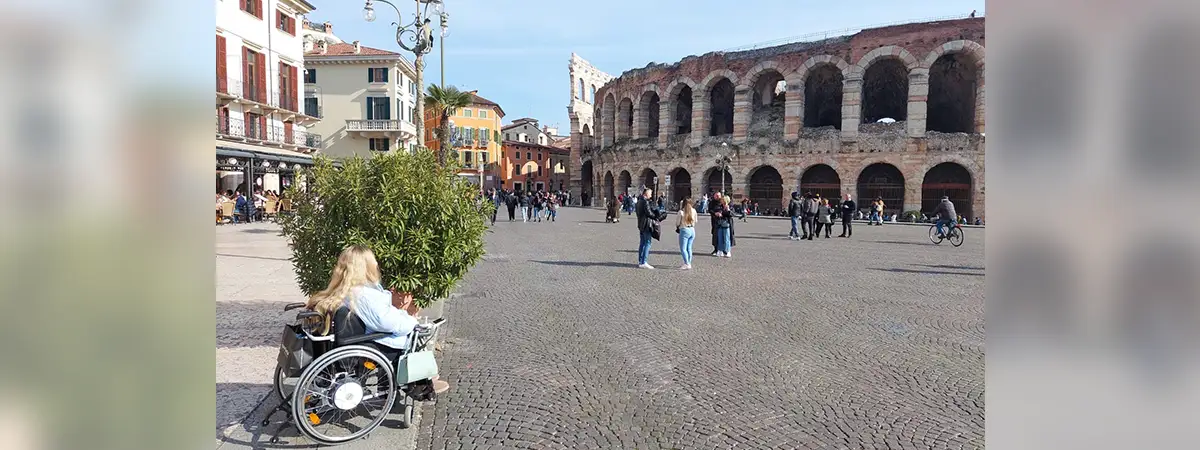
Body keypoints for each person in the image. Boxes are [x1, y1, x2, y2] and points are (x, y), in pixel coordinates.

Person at [635, 188, 668, 269]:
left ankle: (640, 261)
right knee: (647, 243)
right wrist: (657, 216)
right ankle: (644, 262)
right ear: (646, 194)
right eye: (650, 193)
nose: (651, 195)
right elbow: (648, 213)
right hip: (647, 225)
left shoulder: (639, 201)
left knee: (642, 243)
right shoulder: (645, 201)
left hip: (641, 225)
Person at [676, 198, 697, 270]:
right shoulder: (694, 211)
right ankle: (689, 262)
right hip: (692, 230)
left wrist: (678, 226)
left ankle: (686, 263)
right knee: (689, 248)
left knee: (683, 248)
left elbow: (678, 223)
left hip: (684, 230)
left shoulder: (681, 212)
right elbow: (696, 221)